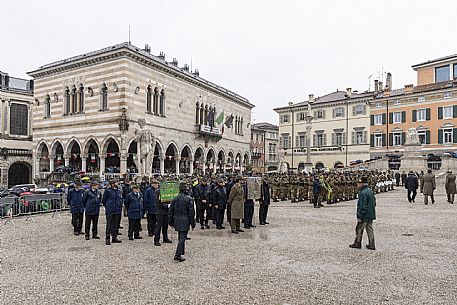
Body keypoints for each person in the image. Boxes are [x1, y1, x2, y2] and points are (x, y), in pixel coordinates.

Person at [168, 181, 196, 262]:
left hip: (177, 220)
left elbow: (170, 212)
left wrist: (170, 222)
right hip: (185, 220)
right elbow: (191, 213)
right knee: (182, 238)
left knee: (180, 236)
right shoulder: (189, 199)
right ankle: (178, 254)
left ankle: (181, 250)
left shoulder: (175, 199)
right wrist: (193, 224)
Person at [350, 176, 376, 250]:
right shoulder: (370, 190)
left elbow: (362, 206)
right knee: (369, 229)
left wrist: (360, 216)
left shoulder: (362, 192)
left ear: (361, 184)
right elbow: (374, 202)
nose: (357, 185)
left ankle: (357, 243)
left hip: (365, 215)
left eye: (358, 183)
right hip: (370, 214)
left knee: (359, 229)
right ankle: (372, 244)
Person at [102, 180, 123, 245]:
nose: (117, 184)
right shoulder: (108, 191)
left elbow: (120, 199)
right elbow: (104, 200)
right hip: (110, 210)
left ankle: (114, 237)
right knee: (109, 224)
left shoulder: (118, 191)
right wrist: (108, 206)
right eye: (115, 183)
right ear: (112, 184)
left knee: (116, 225)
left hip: (117, 210)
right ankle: (107, 238)